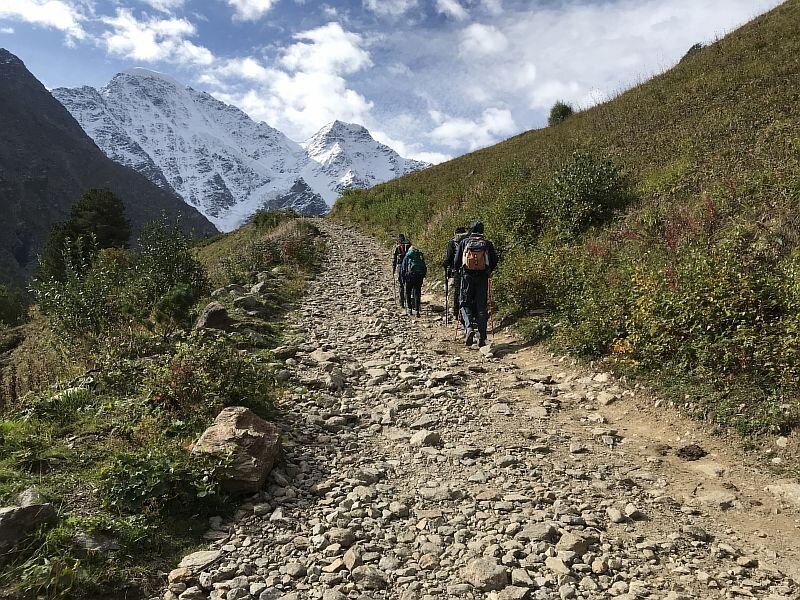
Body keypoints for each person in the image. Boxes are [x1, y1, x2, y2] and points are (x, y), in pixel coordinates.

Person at [454, 222, 498, 347]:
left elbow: (457, 261)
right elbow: (494, 260)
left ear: (471, 230)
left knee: (464, 303)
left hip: (467, 276)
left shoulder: (464, 242)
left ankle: (468, 328)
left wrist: (459, 271)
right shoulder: (487, 244)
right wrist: (488, 271)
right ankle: (482, 337)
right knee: (481, 306)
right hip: (483, 277)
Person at [442, 226, 468, 320]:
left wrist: (444, 264)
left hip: (458, 271)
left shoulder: (452, 243)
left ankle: (457, 313)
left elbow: (449, 258)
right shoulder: (469, 241)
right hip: (471, 270)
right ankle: (470, 313)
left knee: (458, 291)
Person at [400, 244, 427, 317]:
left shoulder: (407, 256)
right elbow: (424, 266)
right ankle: (417, 311)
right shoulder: (419, 256)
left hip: (409, 277)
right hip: (418, 276)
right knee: (417, 293)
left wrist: (402, 279)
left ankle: (409, 310)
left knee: (408, 293)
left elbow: (403, 268)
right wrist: (423, 276)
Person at [392, 234, 412, 308]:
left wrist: (393, 270)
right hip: (408, 267)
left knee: (401, 285)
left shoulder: (398, 247)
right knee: (409, 284)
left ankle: (402, 303)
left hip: (400, 267)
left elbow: (394, 260)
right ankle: (409, 301)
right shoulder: (409, 245)